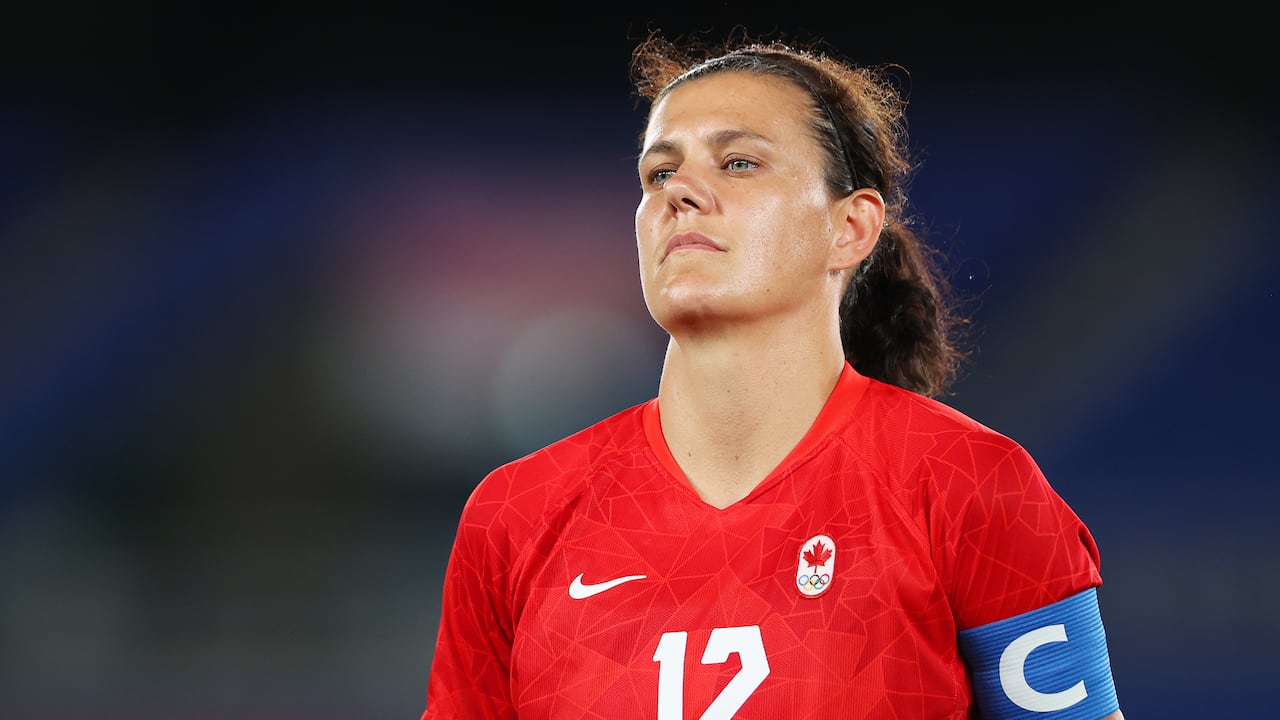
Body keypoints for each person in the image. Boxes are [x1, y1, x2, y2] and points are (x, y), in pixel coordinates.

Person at [420, 30, 1124, 720]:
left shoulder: (968, 485)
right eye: (660, 172)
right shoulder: (515, 516)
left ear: (849, 228)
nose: (681, 192)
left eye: (739, 163)